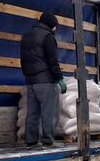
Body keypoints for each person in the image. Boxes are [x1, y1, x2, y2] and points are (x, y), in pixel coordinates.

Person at [20, 12, 68, 148]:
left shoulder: (26, 36)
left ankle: (31, 141)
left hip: (30, 80)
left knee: (32, 113)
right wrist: (59, 78)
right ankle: (48, 141)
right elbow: (52, 60)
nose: (55, 29)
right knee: (49, 112)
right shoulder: (47, 36)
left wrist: (28, 76)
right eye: (55, 26)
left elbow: (23, 60)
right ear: (50, 25)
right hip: (45, 80)